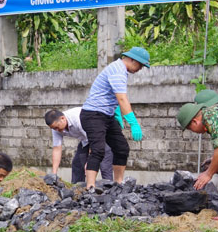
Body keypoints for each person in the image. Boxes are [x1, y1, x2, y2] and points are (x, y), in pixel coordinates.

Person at [79, 46, 149, 189]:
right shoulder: (118, 71)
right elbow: (122, 99)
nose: (140, 69)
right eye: (140, 65)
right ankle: (90, 187)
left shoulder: (120, 70)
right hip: (93, 115)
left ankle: (118, 184)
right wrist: (133, 122)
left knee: (121, 148)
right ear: (132, 60)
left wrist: (115, 112)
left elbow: (112, 95)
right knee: (98, 150)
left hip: (107, 115)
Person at [44, 108, 113, 185]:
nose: (56, 130)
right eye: (53, 128)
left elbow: (94, 141)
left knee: (104, 164)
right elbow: (57, 149)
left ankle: (110, 189)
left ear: (62, 118)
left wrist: (90, 162)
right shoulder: (55, 128)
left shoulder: (78, 118)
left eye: (57, 127)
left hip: (101, 135)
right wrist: (54, 174)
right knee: (78, 164)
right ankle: (77, 189)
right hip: (86, 139)